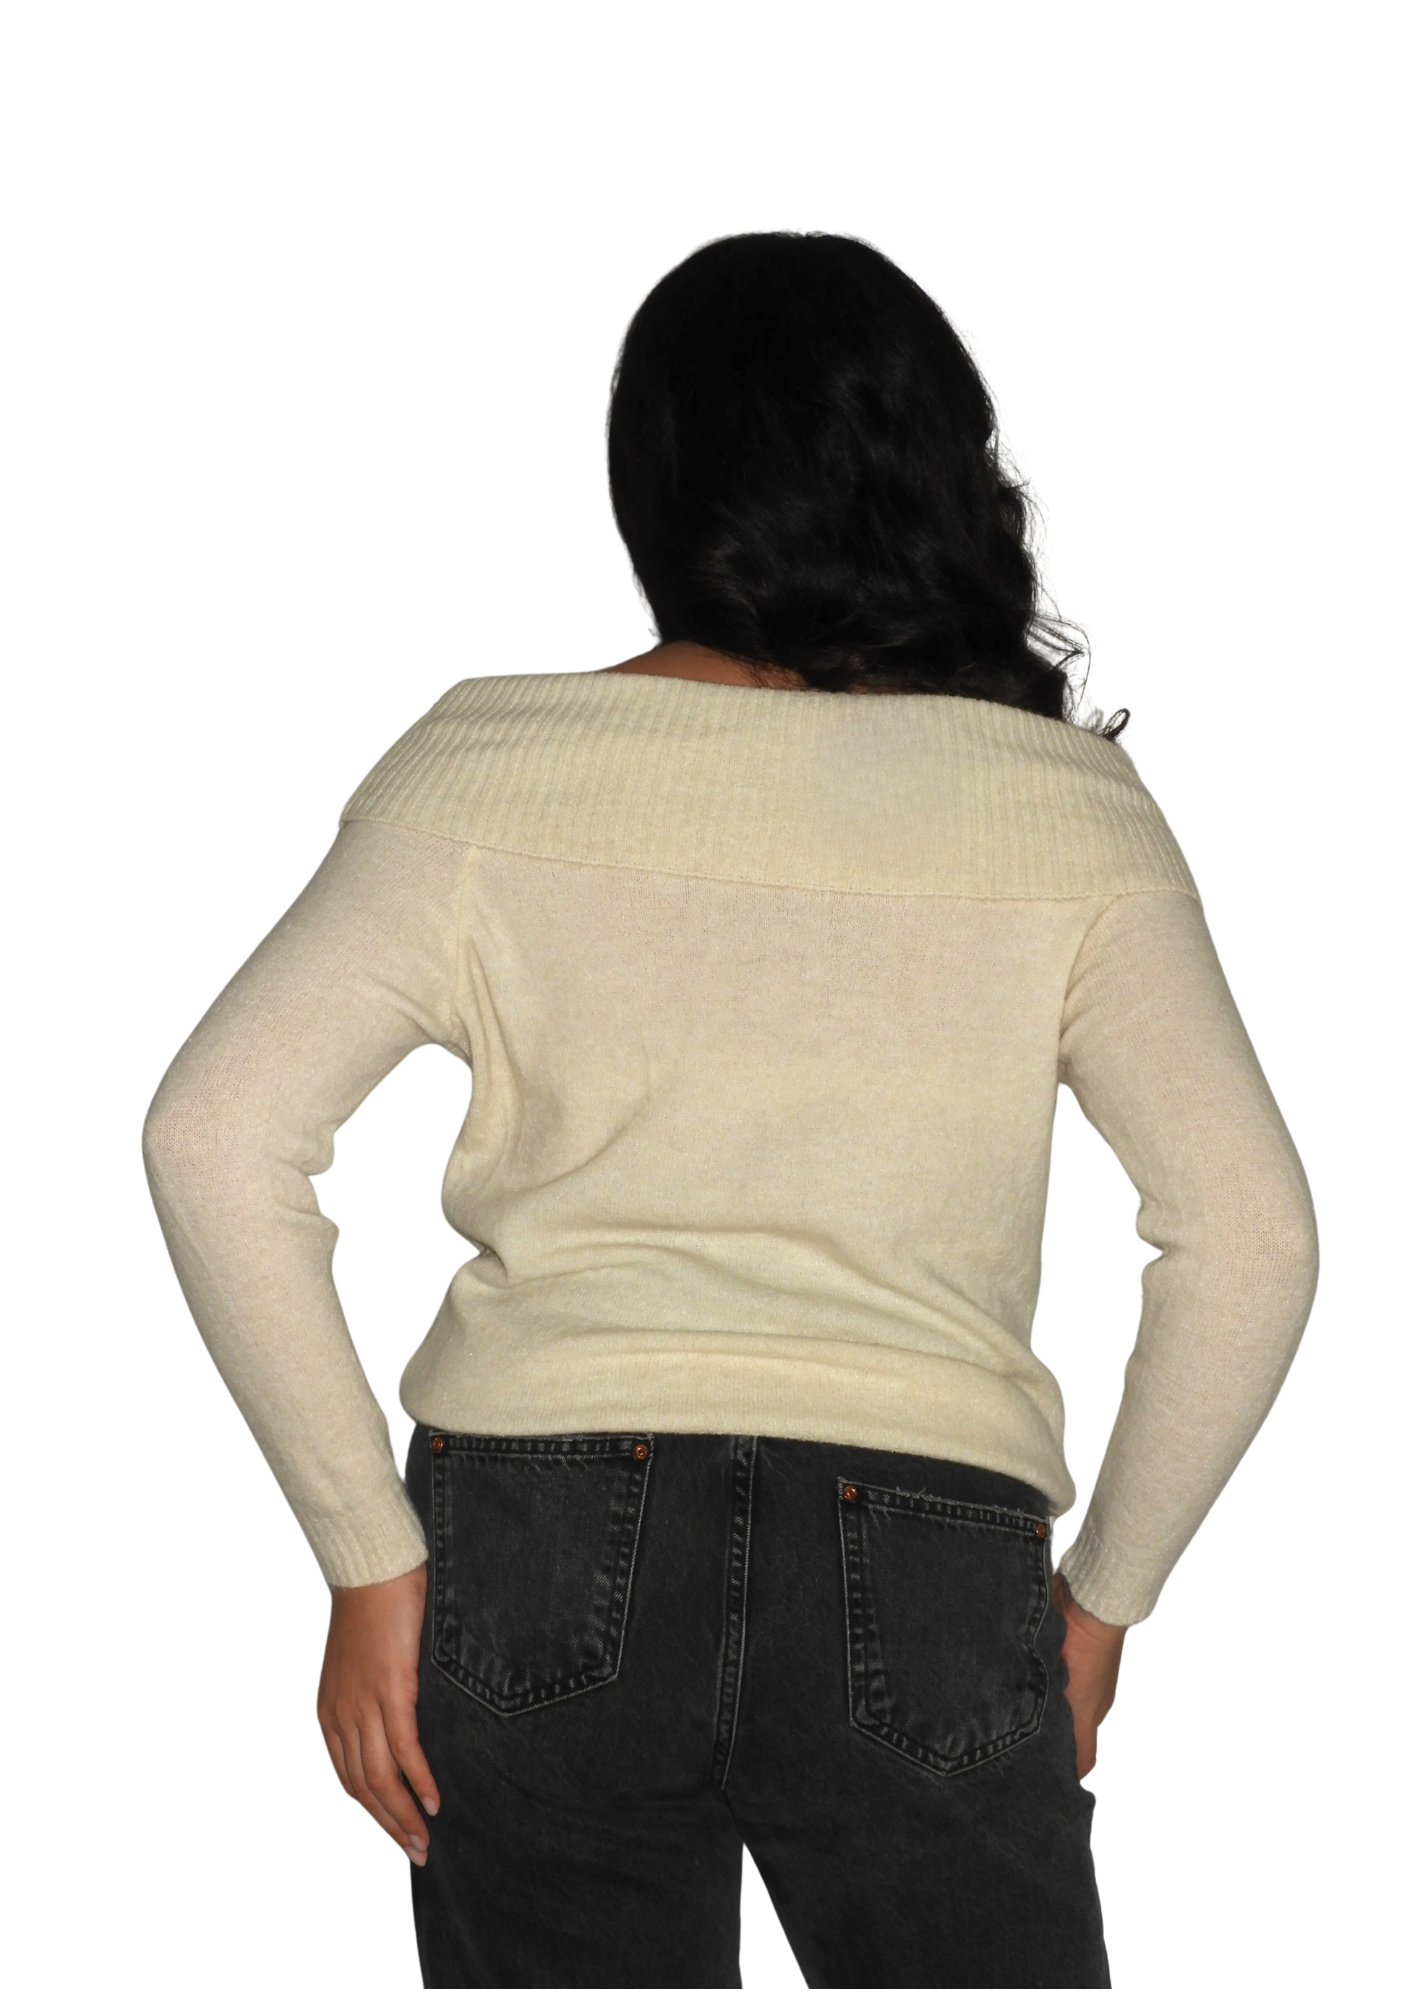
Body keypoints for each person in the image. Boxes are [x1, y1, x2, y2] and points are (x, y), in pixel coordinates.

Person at [142, 232, 1318, 1989]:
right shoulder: (1059, 810)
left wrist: (369, 1564)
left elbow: (213, 1135)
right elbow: (1253, 1237)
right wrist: (1105, 1599)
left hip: (532, 1534)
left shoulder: (483, 770)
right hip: (926, 1544)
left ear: (657, 488)